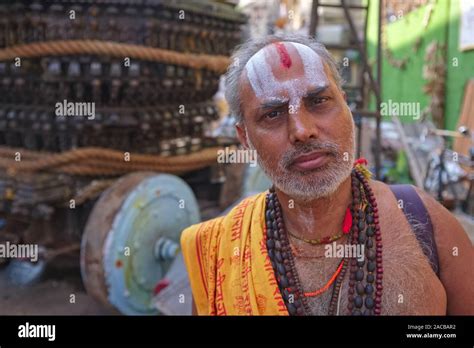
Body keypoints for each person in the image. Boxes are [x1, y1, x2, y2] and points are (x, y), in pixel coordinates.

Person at [180, 34, 474, 315]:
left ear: (345, 105)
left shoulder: (425, 221)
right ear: (245, 139)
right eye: (273, 114)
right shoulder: (217, 255)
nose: (302, 130)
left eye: (318, 101)